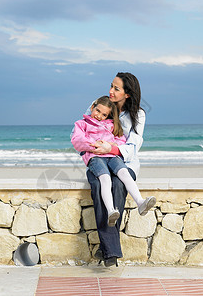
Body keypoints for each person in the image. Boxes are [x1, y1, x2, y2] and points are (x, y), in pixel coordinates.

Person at [81, 72, 153, 267]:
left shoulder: (138, 115)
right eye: (111, 86)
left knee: (118, 185)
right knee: (98, 185)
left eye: (116, 88)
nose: (111, 91)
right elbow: (82, 130)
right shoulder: (99, 104)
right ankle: (110, 249)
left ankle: (107, 250)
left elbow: (133, 145)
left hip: (125, 163)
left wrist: (110, 148)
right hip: (98, 160)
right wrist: (95, 147)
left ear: (127, 94)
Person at [71, 96, 155, 228]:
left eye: (104, 114)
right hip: (95, 157)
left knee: (124, 174)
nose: (99, 116)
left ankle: (140, 203)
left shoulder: (110, 125)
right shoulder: (82, 124)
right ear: (92, 107)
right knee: (105, 179)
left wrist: (112, 145)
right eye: (97, 111)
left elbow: (121, 140)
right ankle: (111, 210)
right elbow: (77, 141)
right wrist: (95, 145)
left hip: (112, 156)